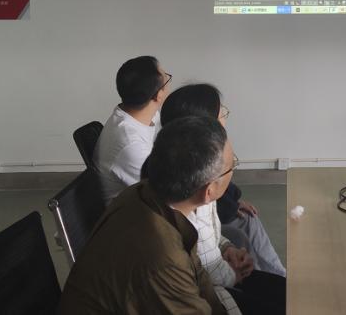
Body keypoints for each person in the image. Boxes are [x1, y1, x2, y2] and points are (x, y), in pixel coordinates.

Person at [58, 115, 233, 314]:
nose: (233, 169)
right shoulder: (164, 259)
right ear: (209, 191)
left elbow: (198, 274)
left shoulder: (143, 192)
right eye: (232, 165)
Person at [161, 84, 286, 315]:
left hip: (215, 279)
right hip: (210, 293)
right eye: (231, 166)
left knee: (285, 291)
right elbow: (210, 275)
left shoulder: (187, 180)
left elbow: (211, 240)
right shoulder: (186, 213)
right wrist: (234, 274)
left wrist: (227, 247)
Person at [94, 55, 172, 205]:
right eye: (167, 79)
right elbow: (166, 197)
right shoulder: (131, 145)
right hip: (136, 212)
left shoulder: (137, 115)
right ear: (158, 95)